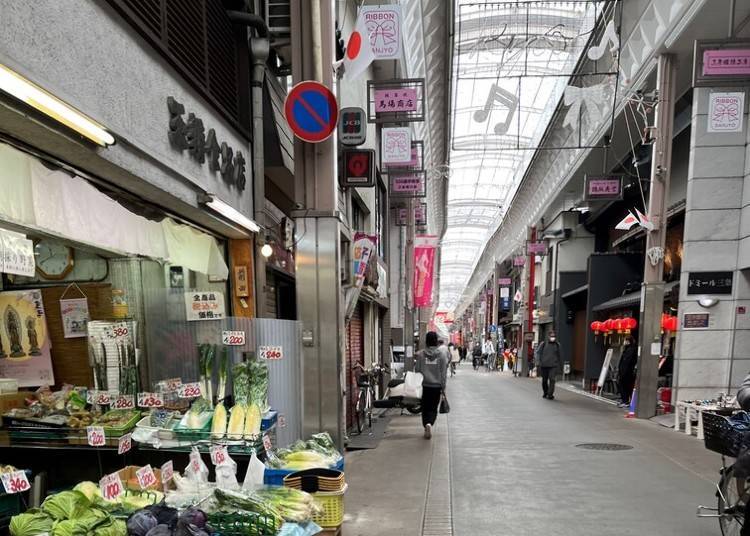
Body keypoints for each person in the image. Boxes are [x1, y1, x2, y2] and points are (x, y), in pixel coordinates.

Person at [415, 331, 448, 439]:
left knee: (425, 407)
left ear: (426, 341)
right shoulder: (442, 355)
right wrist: (443, 386)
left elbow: (418, 370)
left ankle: (426, 424)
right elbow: (443, 372)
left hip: (424, 386)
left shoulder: (420, 354)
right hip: (436, 386)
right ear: (436, 341)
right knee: (433, 407)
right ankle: (430, 423)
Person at [535, 330, 563, 400]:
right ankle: (545, 392)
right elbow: (538, 353)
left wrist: (561, 366)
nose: (553, 338)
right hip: (544, 365)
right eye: (551, 336)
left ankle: (550, 394)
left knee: (552, 379)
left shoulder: (557, 345)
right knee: (544, 380)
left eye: (554, 336)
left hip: (553, 366)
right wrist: (538, 362)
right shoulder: (543, 344)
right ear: (548, 336)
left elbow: (560, 356)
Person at [618, 336, 638, 408]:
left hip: (627, 372)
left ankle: (625, 401)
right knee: (626, 386)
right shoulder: (628, 349)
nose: (624, 342)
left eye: (625, 341)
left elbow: (626, 362)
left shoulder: (631, 350)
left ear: (628, 341)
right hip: (626, 372)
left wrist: (623, 372)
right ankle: (626, 401)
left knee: (624, 386)